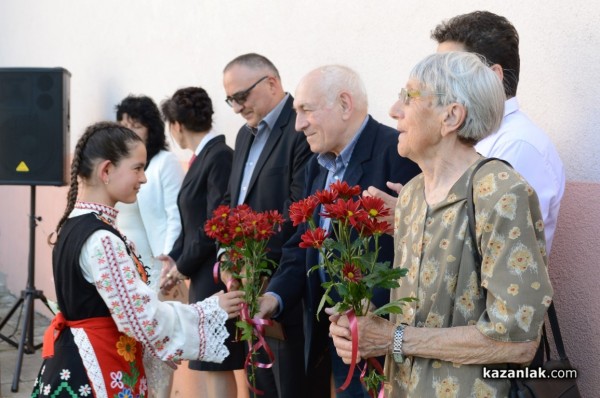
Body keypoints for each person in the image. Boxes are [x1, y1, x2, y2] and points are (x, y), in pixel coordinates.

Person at [329, 52, 554, 398]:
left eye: (408, 96)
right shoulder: (413, 195)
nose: (393, 110)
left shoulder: (501, 191)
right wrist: (364, 326)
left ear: (451, 116)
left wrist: (392, 338)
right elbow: (417, 314)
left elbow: (518, 339)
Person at [33, 122, 244, 398]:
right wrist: (208, 311)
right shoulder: (101, 239)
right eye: (137, 168)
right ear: (106, 170)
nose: (143, 178)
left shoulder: (73, 224)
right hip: (97, 368)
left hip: (74, 361)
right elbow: (141, 319)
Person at [257, 65, 421, 397]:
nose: (299, 124)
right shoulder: (314, 168)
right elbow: (300, 247)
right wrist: (272, 298)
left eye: (306, 110)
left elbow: (416, 253)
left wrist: (371, 318)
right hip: (335, 343)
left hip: (385, 346)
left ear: (345, 104)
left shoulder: (399, 153)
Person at [431, 10, 565, 254]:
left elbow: (488, 241)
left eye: (449, 73)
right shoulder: (477, 138)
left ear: (493, 77)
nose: (436, 86)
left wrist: (418, 220)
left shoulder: (519, 145)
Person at [221, 53, 313, 398]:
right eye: (230, 99)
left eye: (241, 96)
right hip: (248, 279)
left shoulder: (300, 127)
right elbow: (234, 202)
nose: (236, 107)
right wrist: (231, 257)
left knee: (288, 386)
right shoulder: (244, 135)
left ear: (271, 83)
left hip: (283, 281)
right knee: (261, 386)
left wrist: (258, 264)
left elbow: (297, 208)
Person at [157, 87, 239, 398]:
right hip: (200, 272)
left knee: (216, 360)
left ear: (176, 125)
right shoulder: (202, 157)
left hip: (213, 274)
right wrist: (175, 260)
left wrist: (182, 268)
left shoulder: (218, 156)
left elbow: (212, 225)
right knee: (208, 360)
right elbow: (190, 221)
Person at [115, 94, 184, 397]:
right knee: (130, 354)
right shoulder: (121, 166)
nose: (129, 132)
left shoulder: (163, 162)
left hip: (157, 270)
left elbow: (175, 215)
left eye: (136, 126)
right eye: (124, 126)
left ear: (152, 128)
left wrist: (169, 263)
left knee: (157, 355)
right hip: (128, 270)